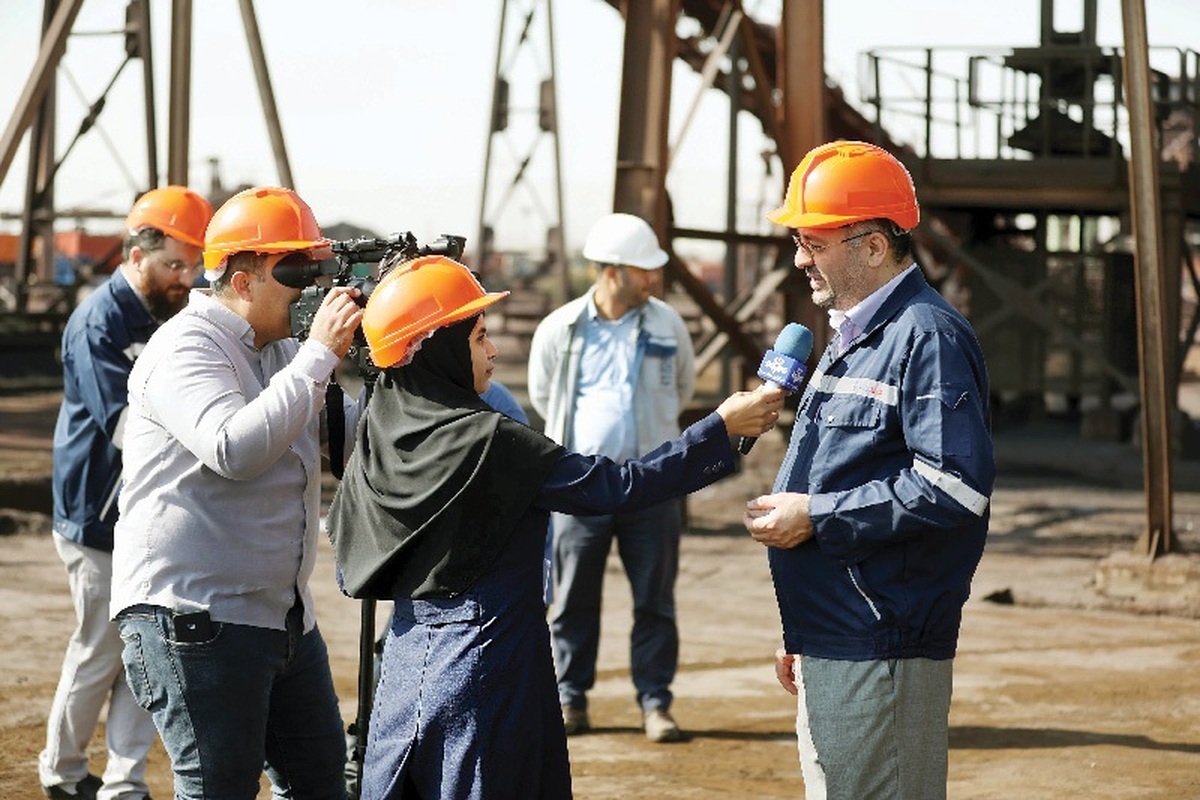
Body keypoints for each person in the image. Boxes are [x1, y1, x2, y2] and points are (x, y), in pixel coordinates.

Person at [325, 255, 783, 799]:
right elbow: (618, 487)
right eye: (478, 337)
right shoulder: (490, 440)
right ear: (440, 347)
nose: (493, 350)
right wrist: (718, 430)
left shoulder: (383, 421)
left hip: (403, 665)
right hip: (484, 661)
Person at [743, 140, 995, 799]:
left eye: (815, 242)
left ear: (875, 245)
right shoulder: (850, 335)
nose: (799, 258)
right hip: (834, 633)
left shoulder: (926, 336)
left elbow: (953, 487)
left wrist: (814, 516)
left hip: (882, 640)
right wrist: (801, 626)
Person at [109, 186, 365, 800]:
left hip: (283, 620)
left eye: (313, 267)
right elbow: (234, 450)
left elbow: (349, 438)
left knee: (318, 783)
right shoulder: (185, 347)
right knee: (219, 788)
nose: (308, 286)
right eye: (292, 270)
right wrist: (319, 357)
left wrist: (397, 362)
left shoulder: (280, 350)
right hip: (195, 621)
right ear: (244, 279)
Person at [41, 186, 213, 800]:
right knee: (98, 653)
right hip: (95, 510)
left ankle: (123, 783)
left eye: (192, 264)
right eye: (173, 264)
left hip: (141, 512)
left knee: (145, 650)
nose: (184, 277)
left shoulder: (164, 313)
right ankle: (61, 775)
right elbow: (122, 426)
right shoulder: (99, 321)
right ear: (135, 253)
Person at [527, 212, 696, 743]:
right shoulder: (561, 329)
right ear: (613, 271)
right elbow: (543, 395)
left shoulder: (668, 324)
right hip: (580, 488)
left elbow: (683, 388)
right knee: (574, 597)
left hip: (653, 483)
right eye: (644, 270)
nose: (654, 279)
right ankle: (570, 699)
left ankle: (655, 703)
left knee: (656, 600)